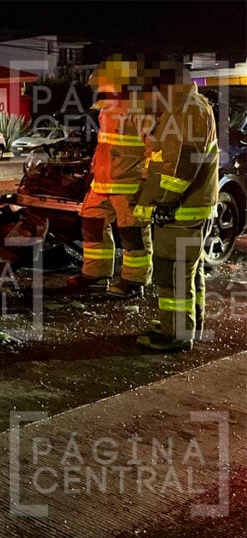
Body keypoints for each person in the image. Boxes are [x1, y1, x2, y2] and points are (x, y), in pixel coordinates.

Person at [133, 60, 219, 352]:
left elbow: (184, 160)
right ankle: (186, 324)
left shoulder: (189, 110)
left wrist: (166, 200)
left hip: (181, 208)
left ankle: (177, 333)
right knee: (187, 272)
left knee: (173, 273)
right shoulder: (185, 108)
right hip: (186, 206)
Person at [68, 57, 154, 298]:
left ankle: (133, 281)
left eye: (104, 84)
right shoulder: (107, 109)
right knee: (92, 223)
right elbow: (104, 146)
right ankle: (95, 276)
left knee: (133, 233)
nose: (100, 88)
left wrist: (146, 183)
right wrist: (93, 172)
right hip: (103, 183)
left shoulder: (140, 110)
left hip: (129, 184)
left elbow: (153, 150)